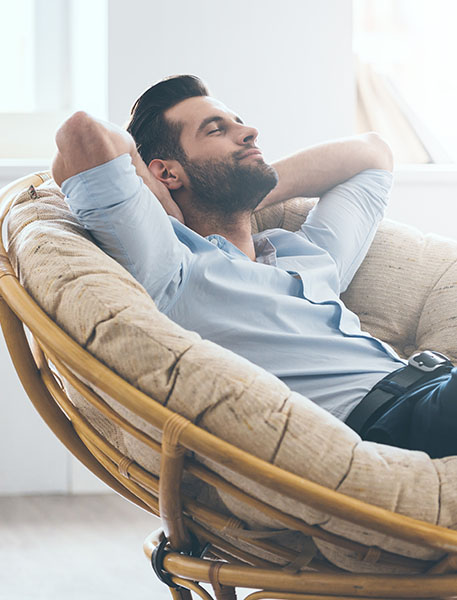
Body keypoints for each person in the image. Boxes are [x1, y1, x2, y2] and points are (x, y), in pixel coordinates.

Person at [51, 74, 457, 459]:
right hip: (396, 424)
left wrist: (246, 190)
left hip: (434, 389)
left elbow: (373, 153)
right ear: (166, 172)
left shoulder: (306, 253)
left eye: (238, 124)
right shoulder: (176, 270)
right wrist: (164, 206)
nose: (248, 133)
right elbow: (81, 135)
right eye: (216, 130)